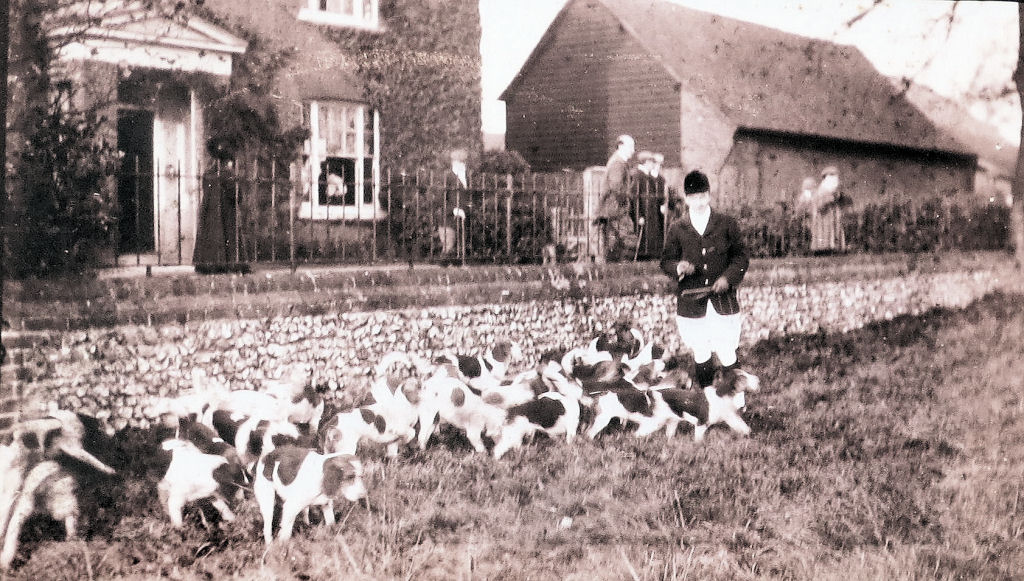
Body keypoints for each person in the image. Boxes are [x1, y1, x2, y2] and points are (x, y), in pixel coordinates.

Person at [660, 170, 750, 389]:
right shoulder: (677, 228)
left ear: (709, 196)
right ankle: (708, 399)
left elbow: (741, 256)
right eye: (693, 198)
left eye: (702, 197)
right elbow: (666, 262)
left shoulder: (726, 223)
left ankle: (737, 400)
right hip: (692, 302)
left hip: (722, 300)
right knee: (701, 350)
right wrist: (678, 267)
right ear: (686, 199)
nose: (698, 202)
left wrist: (728, 279)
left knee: (727, 349)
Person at [595, 135, 638, 263]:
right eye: (630, 147)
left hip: (613, 212)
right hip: (615, 212)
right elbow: (616, 187)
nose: (633, 150)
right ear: (620, 146)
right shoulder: (617, 163)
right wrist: (626, 201)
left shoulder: (618, 162)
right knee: (627, 243)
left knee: (614, 247)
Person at [805, 166, 849, 255]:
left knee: (834, 235)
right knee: (824, 236)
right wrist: (829, 200)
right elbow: (819, 206)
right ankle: (823, 249)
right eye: (832, 177)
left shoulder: (835, 191)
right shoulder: (821, 191)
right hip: (824, 219)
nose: (835, 180)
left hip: (834, 219)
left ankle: (834, 248)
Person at [633, 151, 667, 259]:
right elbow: (635, 198)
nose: (654, 165)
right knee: (643, 239)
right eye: (652, 162)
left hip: (650, 212)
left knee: (651, 238)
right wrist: (639, 216)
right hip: (643, 213)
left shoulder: (648, 176)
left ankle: (649, 256)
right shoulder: (637, 175)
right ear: (646, 162)